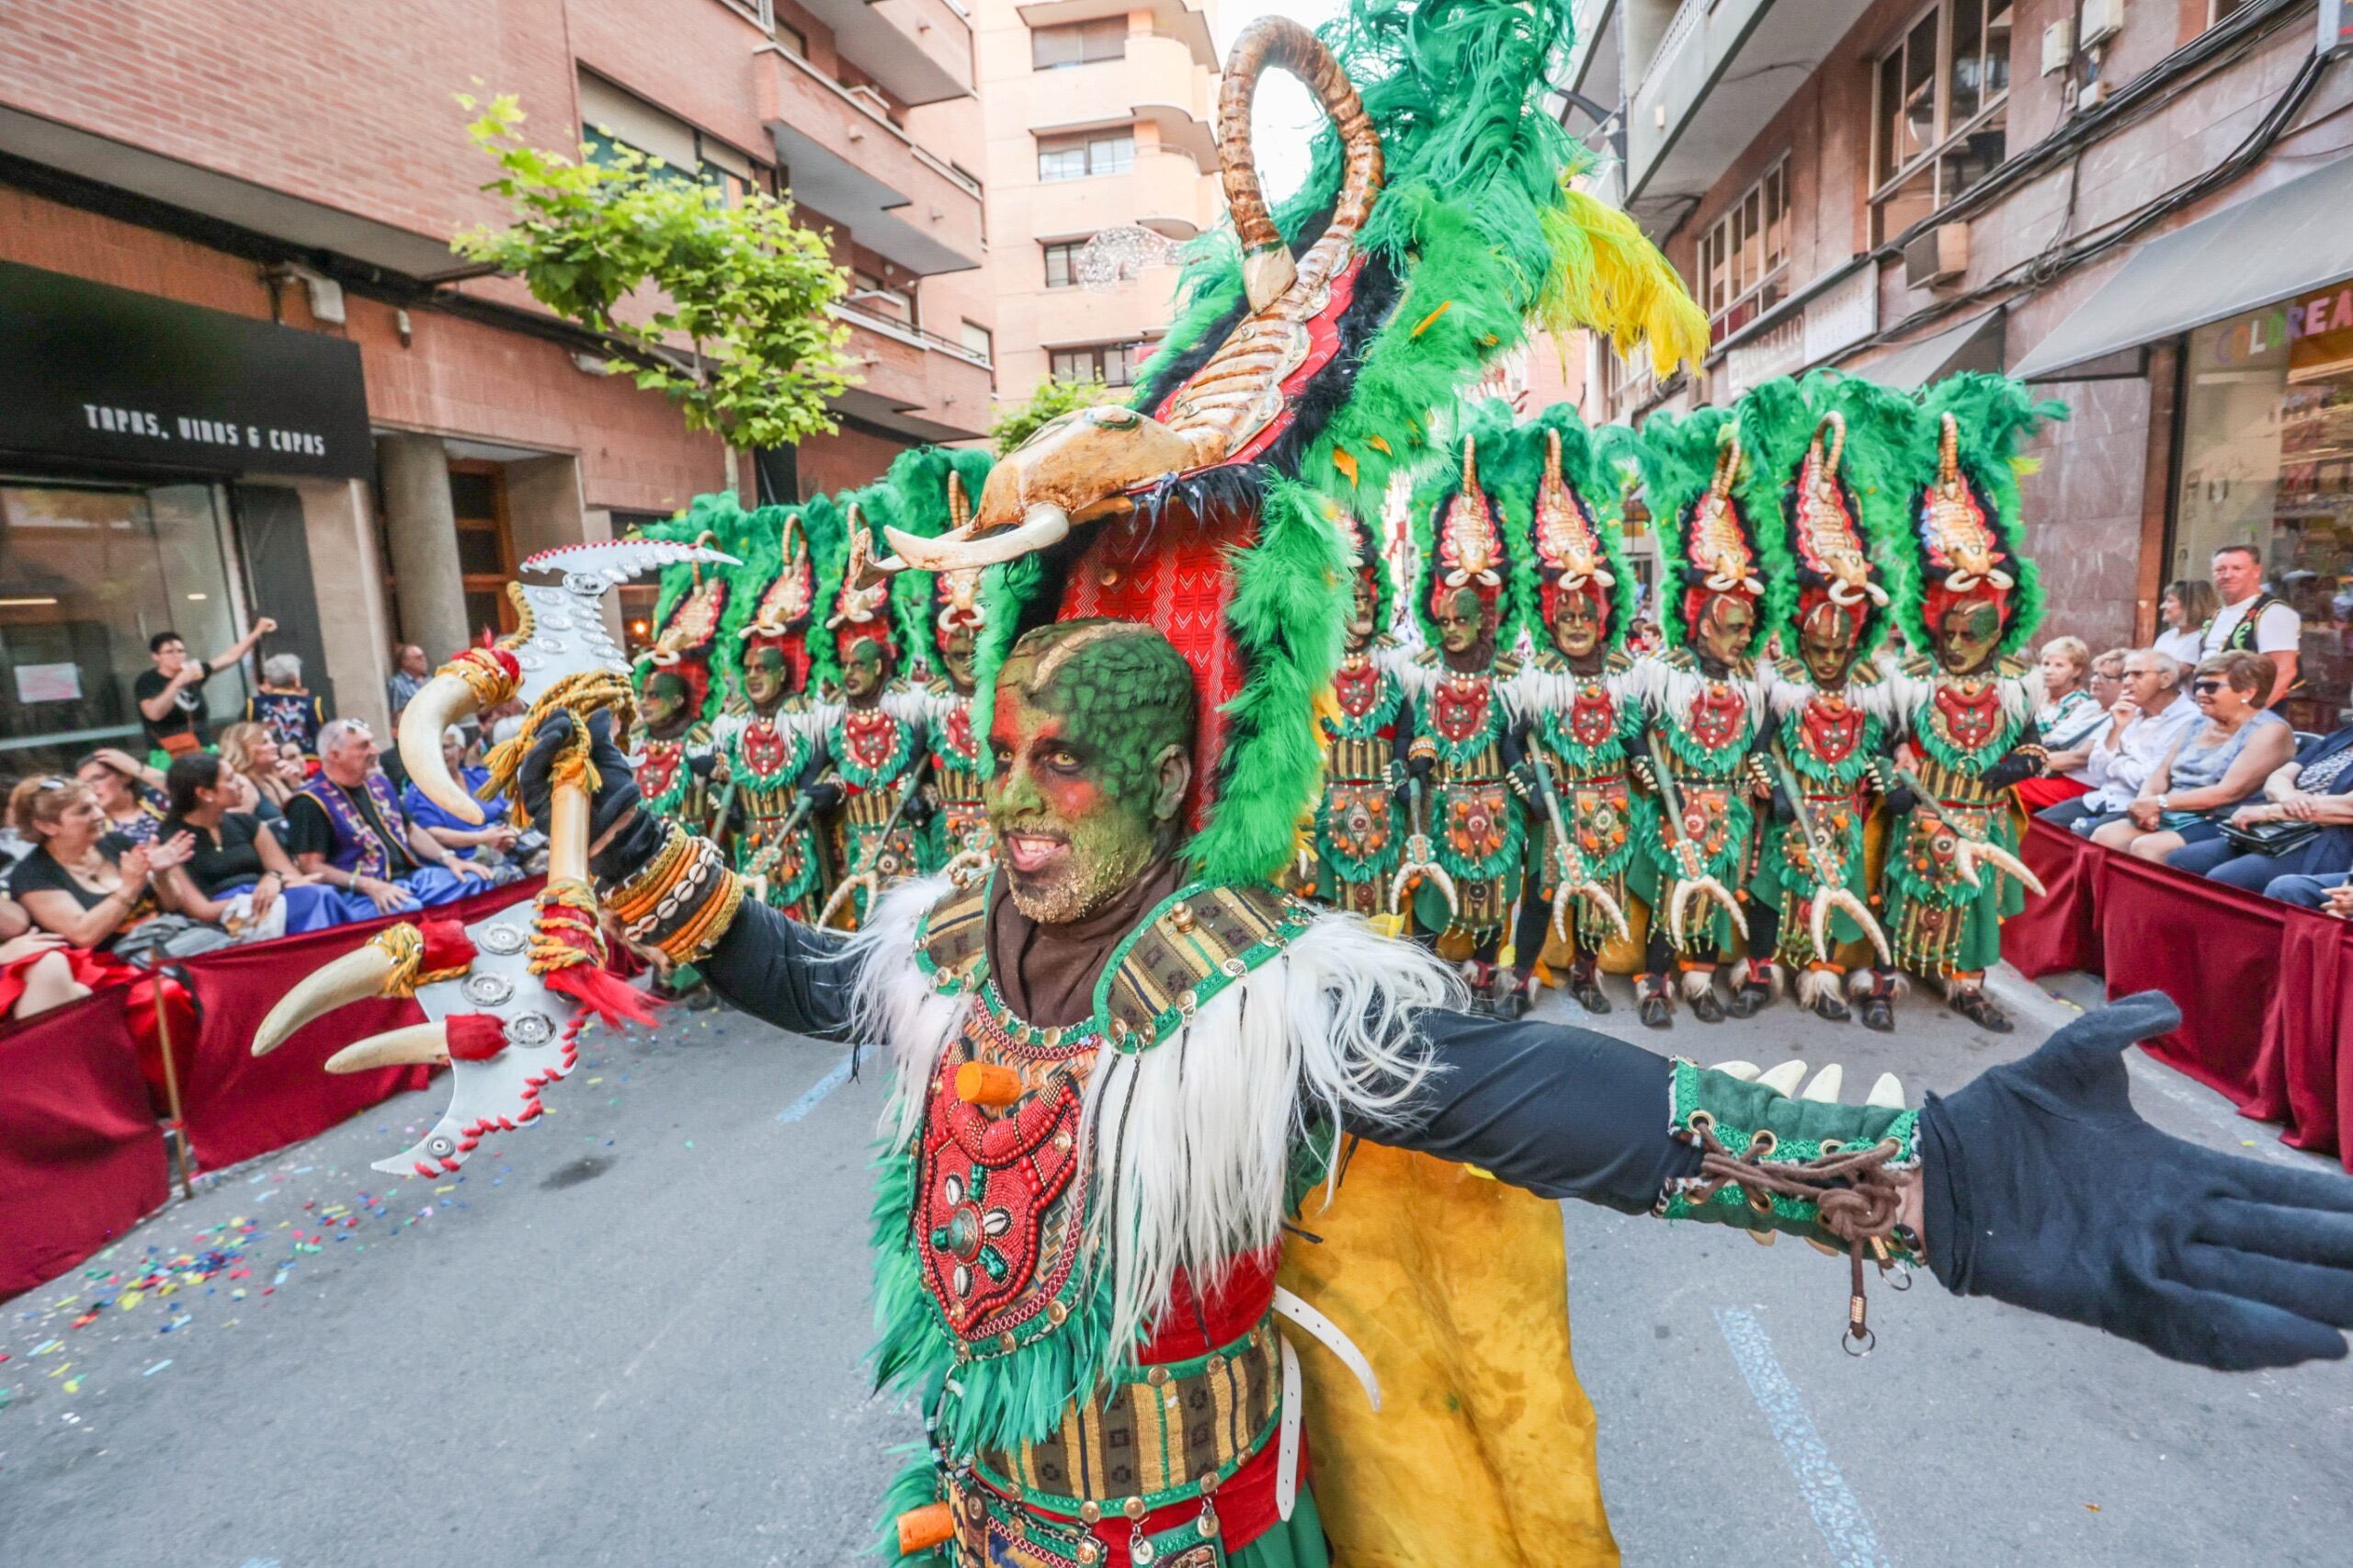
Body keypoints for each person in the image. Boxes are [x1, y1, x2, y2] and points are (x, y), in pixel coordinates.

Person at [1628, 405, 1777, 1026]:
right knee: (1670, 892)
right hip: (1673, 802)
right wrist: (1643, 769)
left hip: (1728, 806)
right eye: (1730, 627)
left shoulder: (1754, 682)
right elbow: (1635, 731)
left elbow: (1762, 739)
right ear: (1700, 619)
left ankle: (1700, 979)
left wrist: (1761, 771)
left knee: (1719, 893)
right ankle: (1656, 981)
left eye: (1748, 627)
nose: (1741, 639)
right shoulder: (1662, 671)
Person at [2091, 651, 2295, 861]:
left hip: (2223, 817)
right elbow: (2161, 773)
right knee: (2105, 836)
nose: (2200, 694)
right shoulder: (2196, 724)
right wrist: (2144, 801)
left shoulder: (2269, 731)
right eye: (2198, 686)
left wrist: (2159, 803)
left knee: (2148, 847)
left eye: (2212, 687)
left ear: (2248, 692)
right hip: (2172, 811)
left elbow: (2228, 792)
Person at [282, 719, 485, 912]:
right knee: (407, 908)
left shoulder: (378, 782)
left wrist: (450, 859)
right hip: (357, 894)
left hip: (410, 879)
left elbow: (410, 829)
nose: (376, 750)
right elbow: (311, 865)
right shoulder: (309, 802)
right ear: (335, 755)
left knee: (474, 880)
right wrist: (369, 885)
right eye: (364, 746)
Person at [153, 753, 364, 937]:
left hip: (272, 899)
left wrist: (273, 879)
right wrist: (259, 898)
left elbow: (293, 876)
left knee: (322, 895)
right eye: (230, 779)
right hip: (228, 915)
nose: (240, 783)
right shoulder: (172, 840)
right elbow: (200, 909)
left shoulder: (246, 823)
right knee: (318, 899)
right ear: (205, 794)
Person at [2165, 714, 2353, 893]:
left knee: (2227, 878)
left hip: (2330, 840)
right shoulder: (2343, 736)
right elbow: (2279, 776)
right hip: (2282, 828)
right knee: (2184, 859)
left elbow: (2348, 808)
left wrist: (2272, 811)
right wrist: (2288, 797)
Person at [2044, 650, 2203, 831]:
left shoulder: (2189, 719)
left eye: (2138, 674)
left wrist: (2116, 762)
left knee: (2080, 843)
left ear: (2165, 680)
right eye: (2125, 674)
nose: (2127, 682)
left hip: (2136, 808)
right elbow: (2096, 770)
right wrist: (2117, 728)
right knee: (2035, 830)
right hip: (2100, 797)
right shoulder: (2128, 709)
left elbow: (2148, 778)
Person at [134, 619, 275, 756]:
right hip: (168, 753)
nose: (177, 656)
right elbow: (154, 713)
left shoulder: (193, 673)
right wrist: (178, 682)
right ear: (156, 657)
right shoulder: (148, 680)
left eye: (181, 651)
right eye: (170, 652)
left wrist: (258, 631)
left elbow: (229, 657)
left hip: (203, 748)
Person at [401, 728, 525, 877]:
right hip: (463, 859)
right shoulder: (419, 792)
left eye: (445, 747)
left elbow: (512, 808)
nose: (439, 753)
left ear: (461, 751)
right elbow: (428, 833)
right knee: (505, 875)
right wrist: (482, 838)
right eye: (431, 748)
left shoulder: (480, 776)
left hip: (509, 846)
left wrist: (511, 833)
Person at [2202, 544, 2300, 706]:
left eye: (2237, 568)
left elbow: (2284, 671)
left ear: (2257, 571)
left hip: (2247, 713)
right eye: (2220, 570)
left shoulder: (2274, 612)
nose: (2227, 575)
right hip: (2213, 708)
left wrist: (2250, 715)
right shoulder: (2217, 613)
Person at [2018, 635, 2105, 811]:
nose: (2048, 671)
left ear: (2077, 671)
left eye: (2059, 665)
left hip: (2055, 768)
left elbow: (2054, 741)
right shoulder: (2038, 694)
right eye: (2046, 664)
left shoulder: (2081, 704)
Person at [243, 651, 327, 761]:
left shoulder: (253, 705)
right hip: (309, 766)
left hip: (270, 765)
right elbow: (329, 736)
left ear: (268, 680)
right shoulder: (314, 704)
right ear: (296, 679)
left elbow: (241, 737)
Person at [74, 748, 167, 845]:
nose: (91, 787)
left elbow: (181, 788)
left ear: (126, 776)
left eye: (98, 778)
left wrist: (137, 768)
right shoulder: (94, 825)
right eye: (84, 784)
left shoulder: (157, 798)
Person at [217, 721, 301, 821]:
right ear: (243, 748)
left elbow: (299, 815)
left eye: (272, 741)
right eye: (265, 742)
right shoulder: (241, 785)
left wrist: (295, 785)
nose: (275, 746)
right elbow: (237, 829)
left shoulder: (271, 779)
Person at [2156, 579, 2218, 668]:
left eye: (2169, 601)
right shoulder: (2166, 636)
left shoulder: (2201, 639)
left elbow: (2169, 675)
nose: (2162, 606)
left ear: (2189, 606)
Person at [386, 643, 430, 722]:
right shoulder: (398, 684)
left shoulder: (429, 679)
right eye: (418, 658)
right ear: (405, 662)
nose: (423, 660)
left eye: (423, 656)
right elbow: (398, 718)